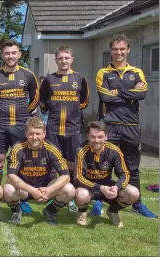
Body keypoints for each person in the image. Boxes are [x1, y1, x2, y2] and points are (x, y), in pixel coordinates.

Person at [95, 34, 156, 218]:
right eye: (115, 49)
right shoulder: (102, 73)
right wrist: (130, 92)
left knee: (132, 167)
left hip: (131, 126)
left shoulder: (137, 71)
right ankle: (98, 200)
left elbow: (143, 93)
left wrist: (118, 91)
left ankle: (137, 204)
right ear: (111, 51)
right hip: (110, 125)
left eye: (122, 49)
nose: (119, 52)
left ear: (128, 50)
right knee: (102, 165)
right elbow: (105, 97)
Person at [39, 45, 89, 213]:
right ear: (56, 60)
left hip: (73, 130)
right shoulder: (48, 80)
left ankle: (73, 197)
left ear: (72, 59)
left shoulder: (80, 78)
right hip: (53, 129)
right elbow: (43, 102)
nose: (63, 61)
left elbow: (84, 101)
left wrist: (71, 111)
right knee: (53, 165)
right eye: (60, 58)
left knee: (74, 165)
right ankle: (51, 196)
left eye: (66, 58)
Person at [3, 116, 75, 225]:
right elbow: (10, 176)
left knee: (69, 189)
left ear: (44, 134)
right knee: (8, 188)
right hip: (25, 189)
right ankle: (17, 210)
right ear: (26, 133)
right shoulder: (18, 148)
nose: (34, 137)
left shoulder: (52, 149)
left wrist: (49, 190)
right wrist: (32, 190)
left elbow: (66, 176)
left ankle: (50, 211)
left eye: (38, 133)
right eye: (31, 133)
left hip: (46, 189)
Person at [0, 39, 39, 179]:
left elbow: (36, 98)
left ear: (19, 54)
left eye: (13, 53)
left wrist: (26, 112)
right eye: (7, 53)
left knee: (20, 158)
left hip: (21, 124)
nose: (10, 56)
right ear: (2, 55)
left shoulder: (28, 75)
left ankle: (18, 194)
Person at [74, 121, 140, 227]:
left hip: (108, 188)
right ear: (88, 136)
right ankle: (82, 211)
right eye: (93, 137)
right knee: (81, 195)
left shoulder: (114, 150)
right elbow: (78, 178)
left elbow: (124, 174)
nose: (96, 140)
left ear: (106, 137)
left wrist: (117, 187)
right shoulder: (81, 150)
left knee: (134, 193)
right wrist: (100, 188)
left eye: (100, 137)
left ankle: (113, 211)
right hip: (88, 188)